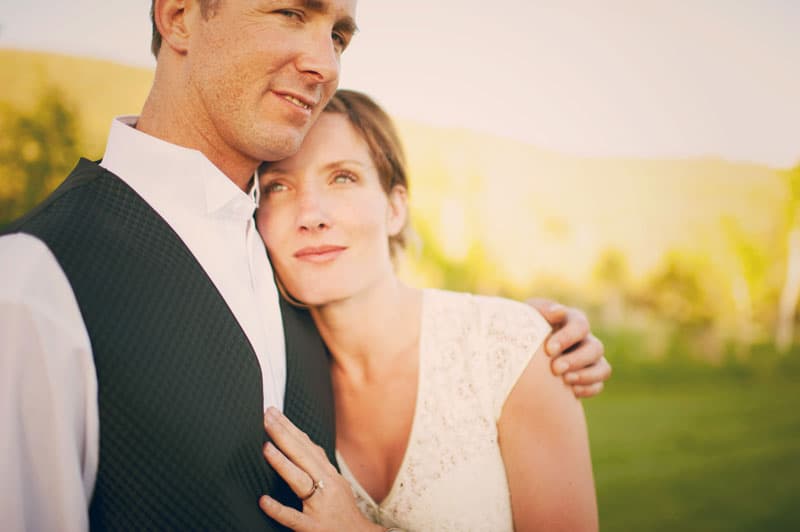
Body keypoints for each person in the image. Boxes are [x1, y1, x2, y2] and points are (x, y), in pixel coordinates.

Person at [0, 2, 608, 530]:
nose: (326, 63)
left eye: (338, 35)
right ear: (179, 15)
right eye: (291, 12)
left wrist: (520, 340)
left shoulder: (287, 266)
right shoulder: (34, 281)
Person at [252, 90, 598, 531]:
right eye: (279, 186)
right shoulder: (270, 373)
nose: (312, 215)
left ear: (395, 209)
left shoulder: (510, 350)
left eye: (342, 178)